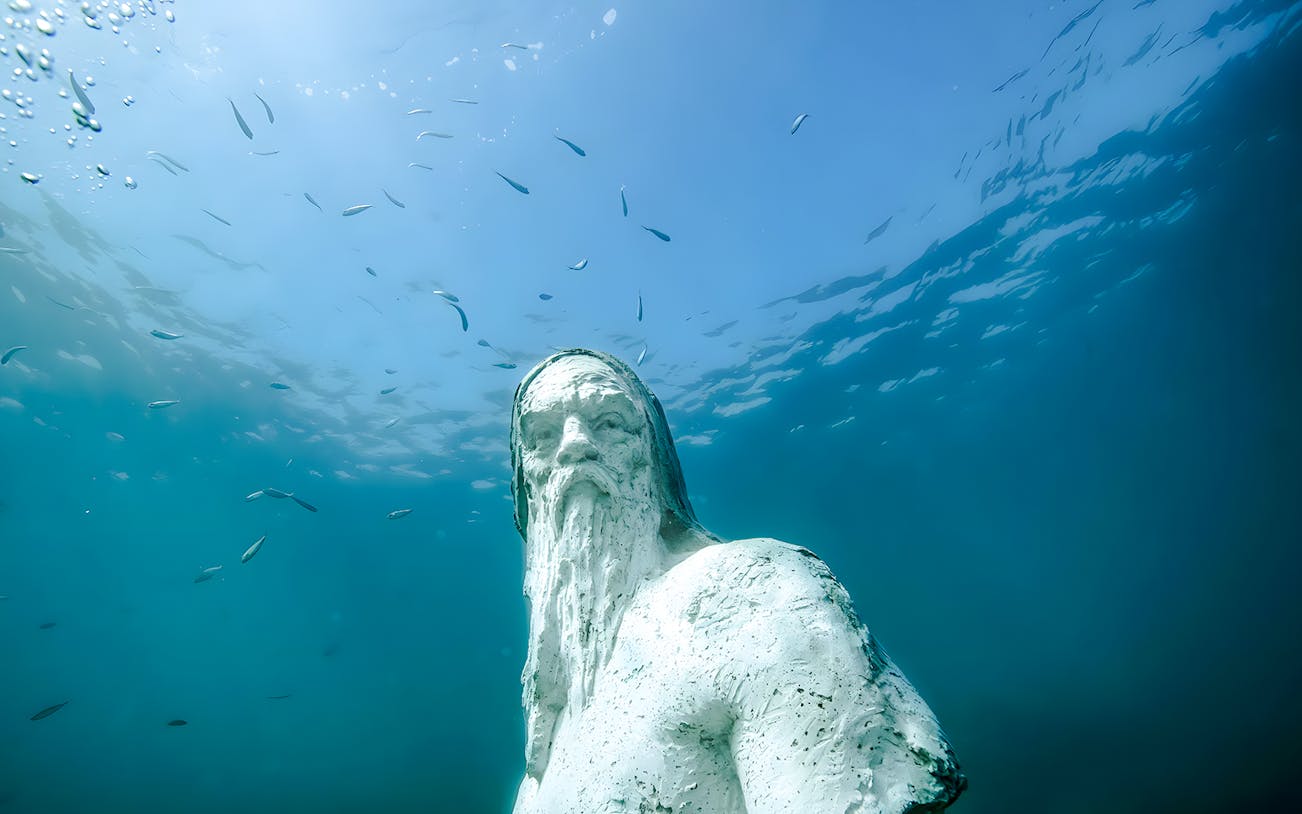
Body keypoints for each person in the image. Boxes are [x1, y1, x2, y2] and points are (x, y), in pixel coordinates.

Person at [509, 349, 964, 813]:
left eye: (608, 421)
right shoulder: (542, 754)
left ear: (653, 457)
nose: (573, 445)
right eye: (542, 434)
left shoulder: (751, 593)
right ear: (528, 484)